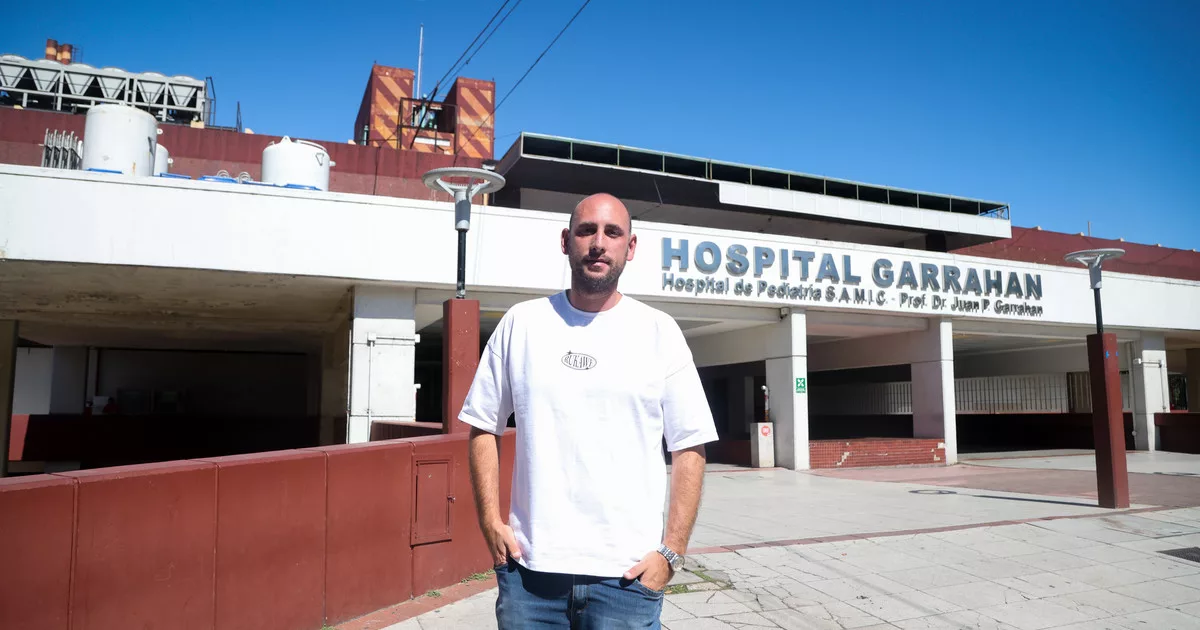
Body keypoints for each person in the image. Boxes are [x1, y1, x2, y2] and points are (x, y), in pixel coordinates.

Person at [459, 192, 718, 628]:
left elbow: (689, 446)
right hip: (530, 576)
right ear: (566, 241)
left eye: (612, 232)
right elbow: (483, 425)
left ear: (630, 247)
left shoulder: (660, 332)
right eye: (587, 230)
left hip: (628, 580)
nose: (599, 243)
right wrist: (489, 521)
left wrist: (671, 552)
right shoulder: (522, 324)